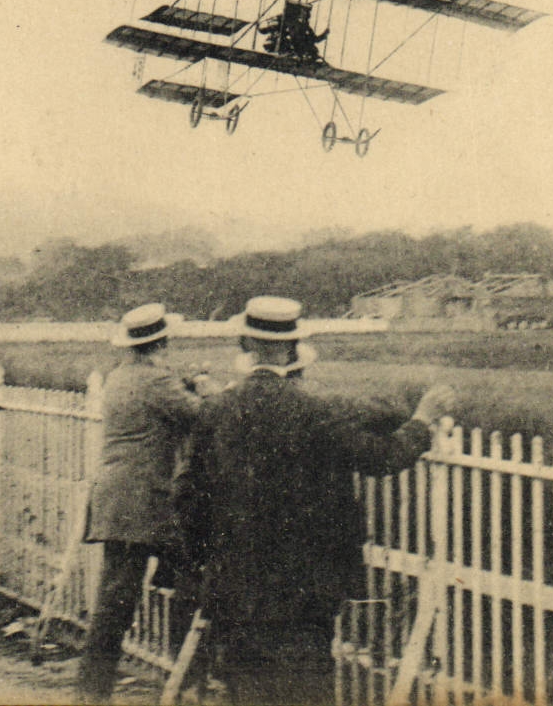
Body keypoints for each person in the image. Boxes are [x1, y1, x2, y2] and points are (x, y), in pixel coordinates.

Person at [176, 296, 454, 705]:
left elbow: (188, 498)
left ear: (244, 346)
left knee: (248, 687)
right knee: (306, 686)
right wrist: (422, 420)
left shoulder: (215, 410)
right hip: (306, 584)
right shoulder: (315, 409)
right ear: (293, 349)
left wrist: (206, 566)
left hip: (235, 582)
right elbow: (381, 458)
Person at [76, 304, 204, 704]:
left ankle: (92, 691)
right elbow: (201, 417)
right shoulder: (156, 380)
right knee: (183, 587)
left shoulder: (120, 376)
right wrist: (204, 387)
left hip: (120, 497)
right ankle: (186, 683)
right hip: (145, 502)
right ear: (162, 342)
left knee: (116, 599)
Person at [259, 0, 327, 63]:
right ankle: (291, 54)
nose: (306, 16)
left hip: (297, 47)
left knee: (309, 47)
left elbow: (313, 39)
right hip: (282, 45)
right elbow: (263, 30)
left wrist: (324, 34)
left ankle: (308, 57)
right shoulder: (281, 20)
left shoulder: (304, 26)